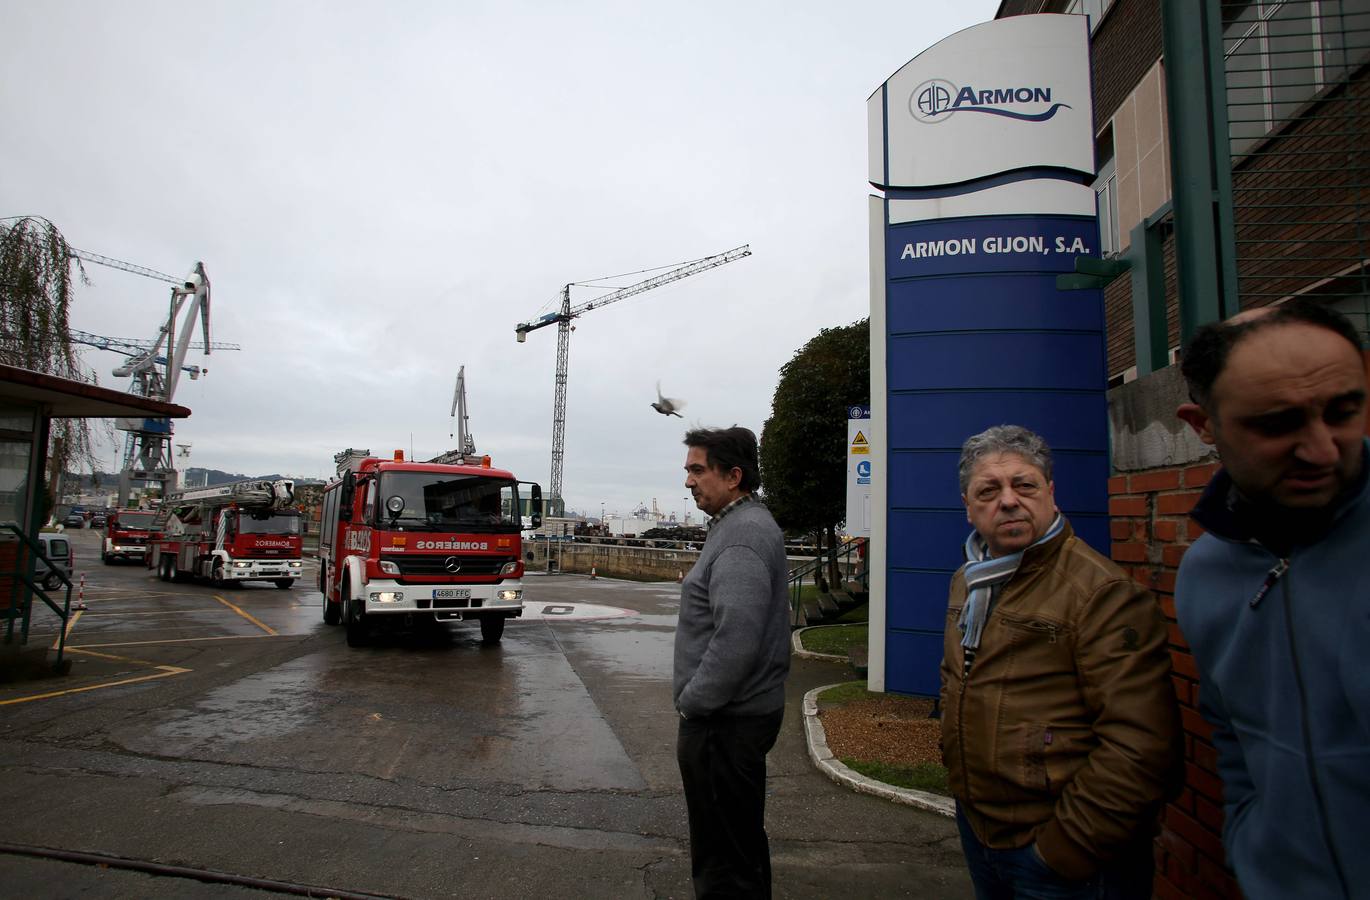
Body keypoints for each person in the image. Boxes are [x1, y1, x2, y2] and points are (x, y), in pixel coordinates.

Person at [1174, 298, 1368, 899]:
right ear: (1203, 425)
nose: (1321, 450)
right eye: (1276, 424)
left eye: (1343, 411)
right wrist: (1251, 837)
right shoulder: (1205, 573)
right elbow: (1230, 730)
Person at [941, 425, 1180, 899]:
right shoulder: (969, 580)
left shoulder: (1101, 593)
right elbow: (955, 679)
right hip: (982, 832)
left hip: (1060, 856)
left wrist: (1064, 849)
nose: (1008, 500)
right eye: (988, 490)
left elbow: (1141, 747)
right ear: (969, 507)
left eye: (1024, 485)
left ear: (1050, 492)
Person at [673, 425, 790, 898]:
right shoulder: (739, 526)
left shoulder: (742, 537)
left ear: (733, 476)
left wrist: (693, 702)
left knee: (724, 861)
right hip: (732, 720)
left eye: (698, 470)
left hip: (724, 724)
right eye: (688, 471)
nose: (688, 481)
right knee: (738, 843)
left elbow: (735, 641)